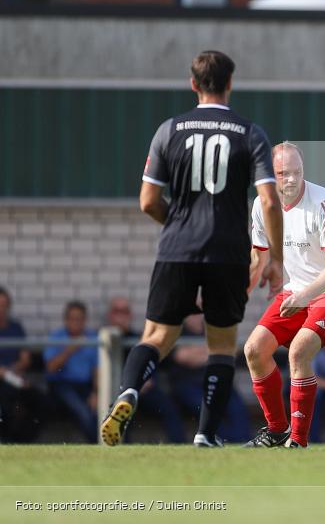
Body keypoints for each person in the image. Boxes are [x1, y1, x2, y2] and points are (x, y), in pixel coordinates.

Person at [101, 50, 284, 448]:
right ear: (230, 83)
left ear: (193, 84)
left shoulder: (169, 130)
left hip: (176, 249)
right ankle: (205, 433)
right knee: (220, 345)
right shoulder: (250, 133)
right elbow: (269, 201)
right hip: (228, 253)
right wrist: (276, 260)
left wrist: (180, 225)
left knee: (156, 336)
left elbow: (148, 201)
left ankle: (129, 391)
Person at [242, 142, 325, 449]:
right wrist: (238, 293)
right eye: (283, 173)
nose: (292, 179)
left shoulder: (322, 201)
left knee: (299, 351)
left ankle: (298, 441)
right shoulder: (261, 206)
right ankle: (276, 430)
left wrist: (303, 296)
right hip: (298, 290)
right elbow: (260, 257)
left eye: (297, 172)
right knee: (254, 349)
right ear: (271, 174)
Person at [102, 297, 184, 443]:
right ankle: (118, 447)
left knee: (169, 408)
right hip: (114, 392)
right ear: (110, 315)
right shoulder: (104, 342)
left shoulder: (142, 340)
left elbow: (158, 362)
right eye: (117, 311)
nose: (121, 316)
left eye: (124, 312)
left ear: (131, 315)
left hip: (147, 391)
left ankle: (179, 444)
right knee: (121, 412)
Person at [166, 314, 251, 443]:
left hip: (217, 382)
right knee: (207, 410)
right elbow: (181, 357)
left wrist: (197, 353)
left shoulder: (213, 330)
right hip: (188, 385)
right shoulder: (178, 332)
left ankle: (243, 441)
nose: (196, 315)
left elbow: (231, 352)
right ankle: (227, 441)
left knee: (237, 408)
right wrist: (213, 354)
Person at [44, 301, 98, 443]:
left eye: (79, 319)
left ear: (85, 320)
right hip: (61, 385)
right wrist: (70, 349)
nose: (76, 323)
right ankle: (98, 447)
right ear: (66, 320)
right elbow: (51, 368)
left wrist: (97, 393)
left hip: (85, 386)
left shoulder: (92, 338)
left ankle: (114, 444)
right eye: (72, 319)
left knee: (101, 410)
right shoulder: (56, 337)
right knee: (82, 411)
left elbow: (97, 369)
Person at [0, 287, 43, 442]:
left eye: (4, 305)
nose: (1, 310)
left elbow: (26, 359)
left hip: (14, 378)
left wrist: (10, 372)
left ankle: (24, 442)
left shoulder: (15, 328)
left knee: (38, 400)